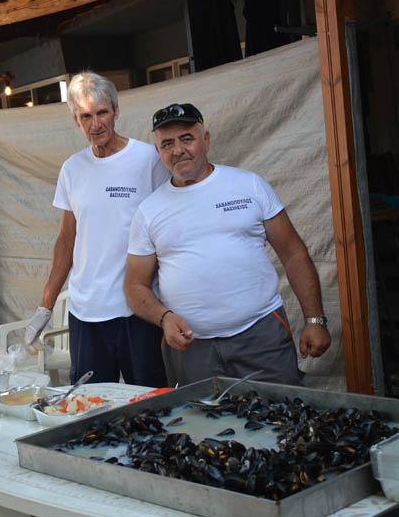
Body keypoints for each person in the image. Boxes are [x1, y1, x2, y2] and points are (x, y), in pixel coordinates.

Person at [124, 103, 331, 386]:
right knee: (199, 415)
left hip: (261, 337)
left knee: (278, 412)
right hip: (191, 348)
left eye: (187, 138)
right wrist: (164, 318)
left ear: (206, 140)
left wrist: (315, 320)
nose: (178, 150)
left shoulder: (250, 186)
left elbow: (293, 254)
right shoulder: (149, 211)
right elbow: (135, 285)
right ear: (158, 151)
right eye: (167, 144)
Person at [24, 71, 168, 386]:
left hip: (138, 310)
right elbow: (66, 240)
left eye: (102, 112)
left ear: (116, 111)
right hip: (86, 312)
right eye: (85, 116)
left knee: (148, 401)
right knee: (89, 404)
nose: (96, 124)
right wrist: (45, 306)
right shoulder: (72, 169)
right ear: (76, 121)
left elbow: (169, 232)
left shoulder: (148, 159)